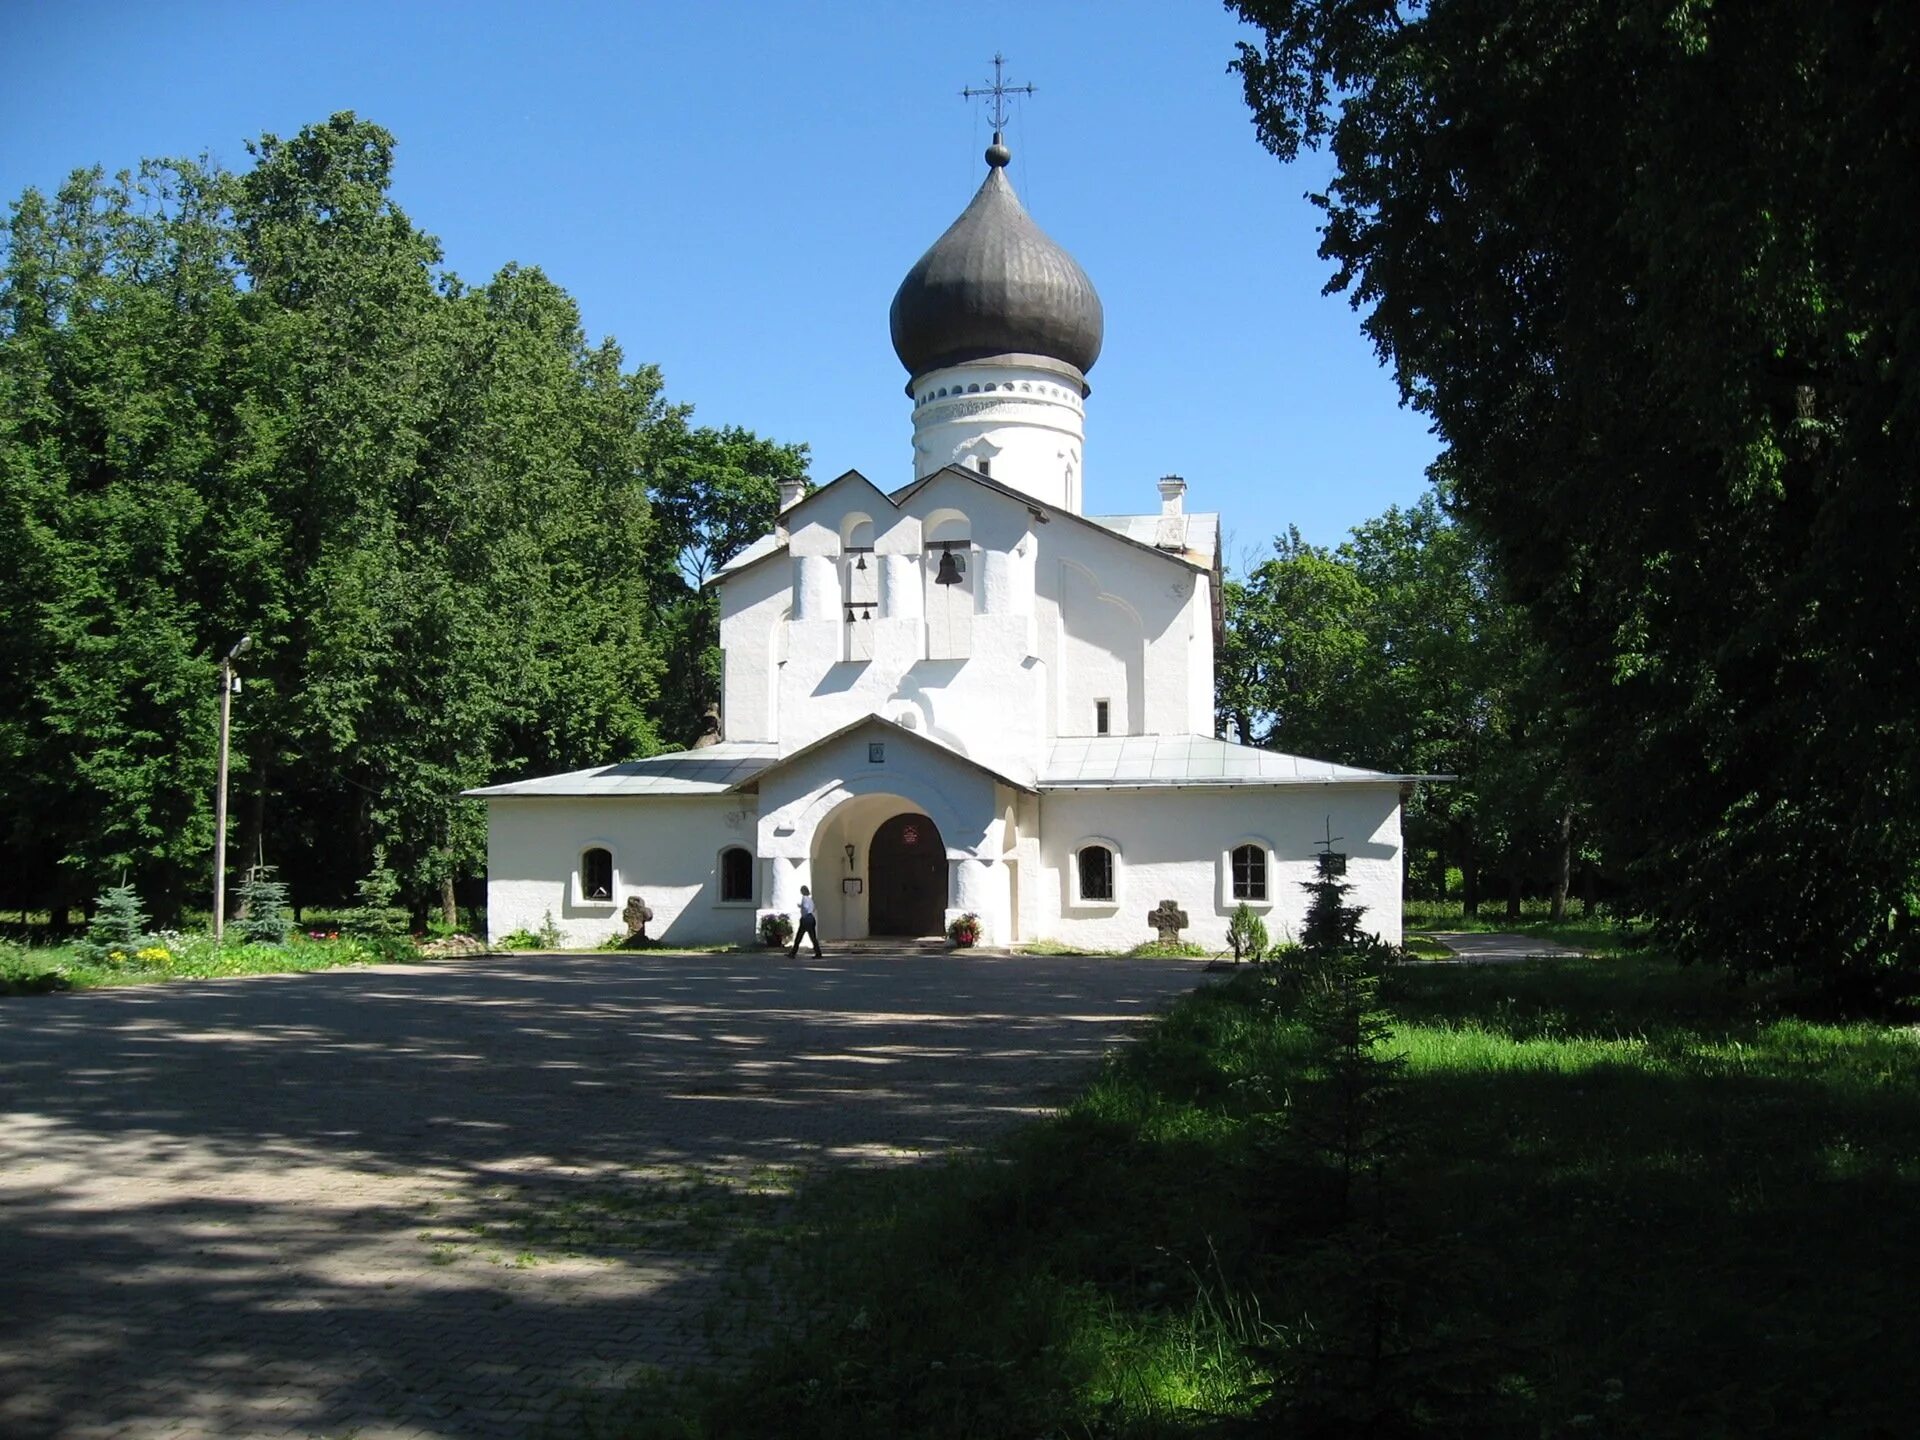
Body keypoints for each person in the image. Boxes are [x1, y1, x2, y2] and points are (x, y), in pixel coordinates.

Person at [789, 884, 822, 958]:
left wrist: (801, 907)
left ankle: (793, 953)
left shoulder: (804, 898)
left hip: (805, 919)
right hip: (811, 918)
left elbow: (806, 908)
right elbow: (813, 908)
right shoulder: (810, 899)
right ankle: (818, 953)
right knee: (813, 937)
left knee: (799, 937)